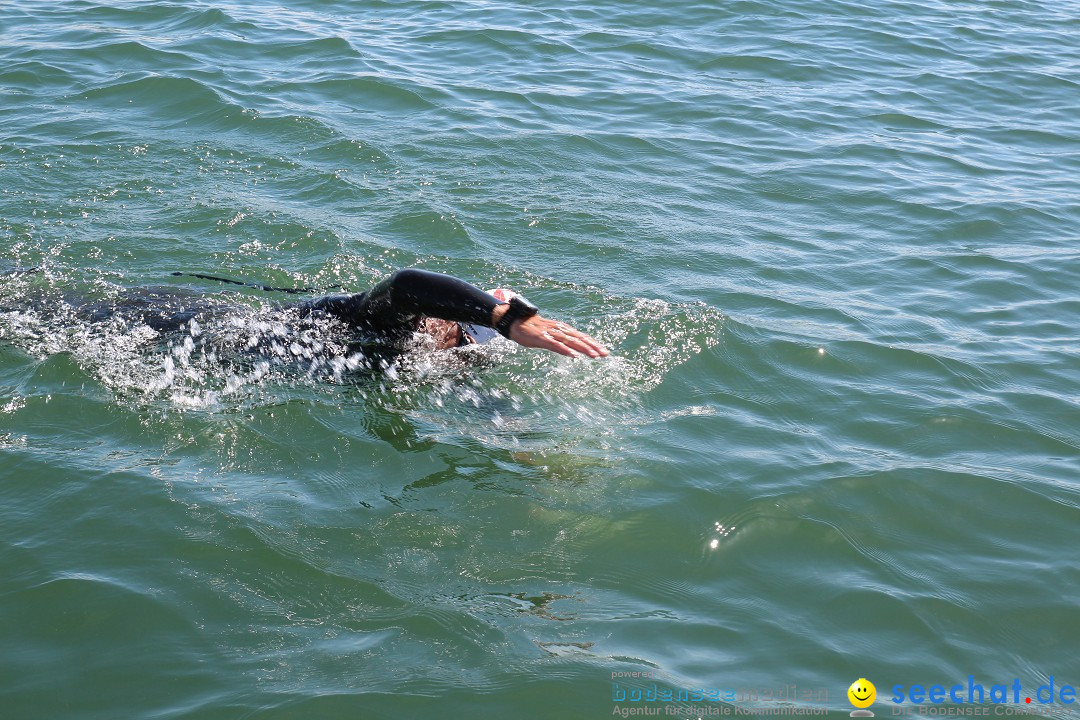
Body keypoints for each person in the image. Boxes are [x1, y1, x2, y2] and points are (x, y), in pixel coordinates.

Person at [296, 268, 609, 359]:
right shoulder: (382, 319)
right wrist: (504, 318)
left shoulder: (450, 363)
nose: (433, 323)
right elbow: (405, 284)